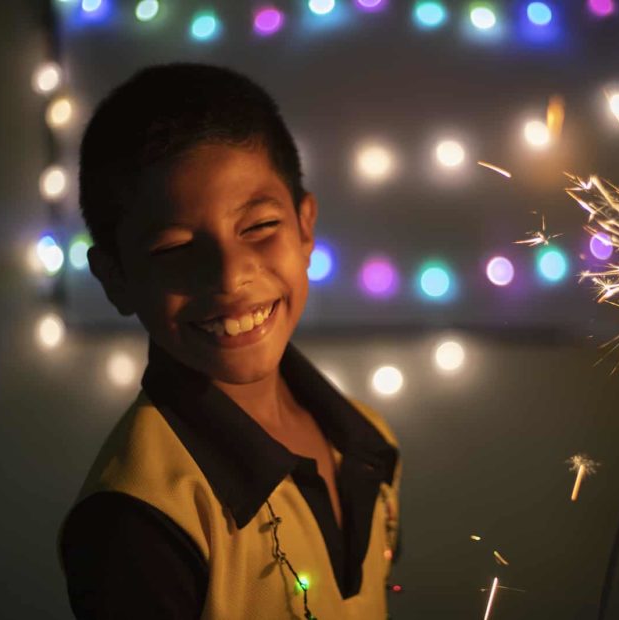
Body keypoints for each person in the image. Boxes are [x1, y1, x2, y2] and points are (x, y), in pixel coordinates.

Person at [57, 63, 401, 620]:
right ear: (115, 278)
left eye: (259, 227)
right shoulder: (139, 518)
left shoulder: (368, 445)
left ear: (305, 227)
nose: (228, 275)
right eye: (173, 248)